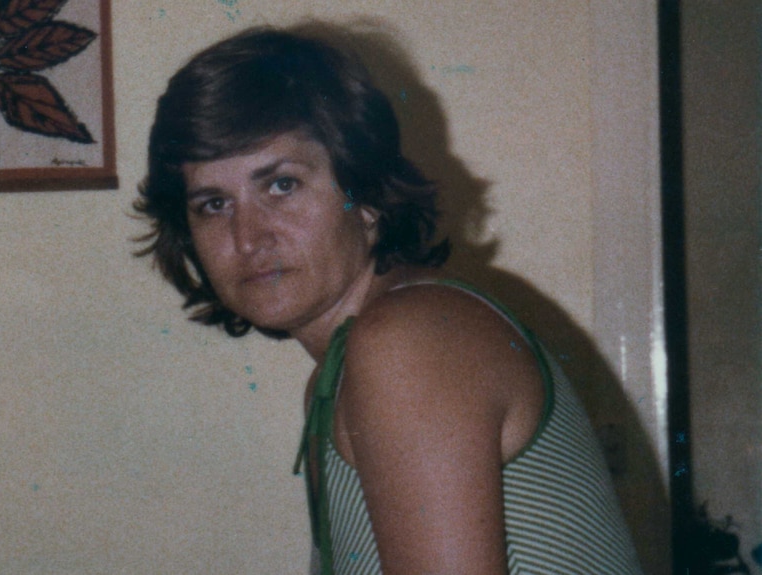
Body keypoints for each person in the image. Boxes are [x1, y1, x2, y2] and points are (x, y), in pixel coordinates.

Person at [134, 26, 644, 575]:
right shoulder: (340, 375)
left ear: (367, 195)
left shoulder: (408, 341)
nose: (248, 236)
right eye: (213, 204)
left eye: (281, 185)